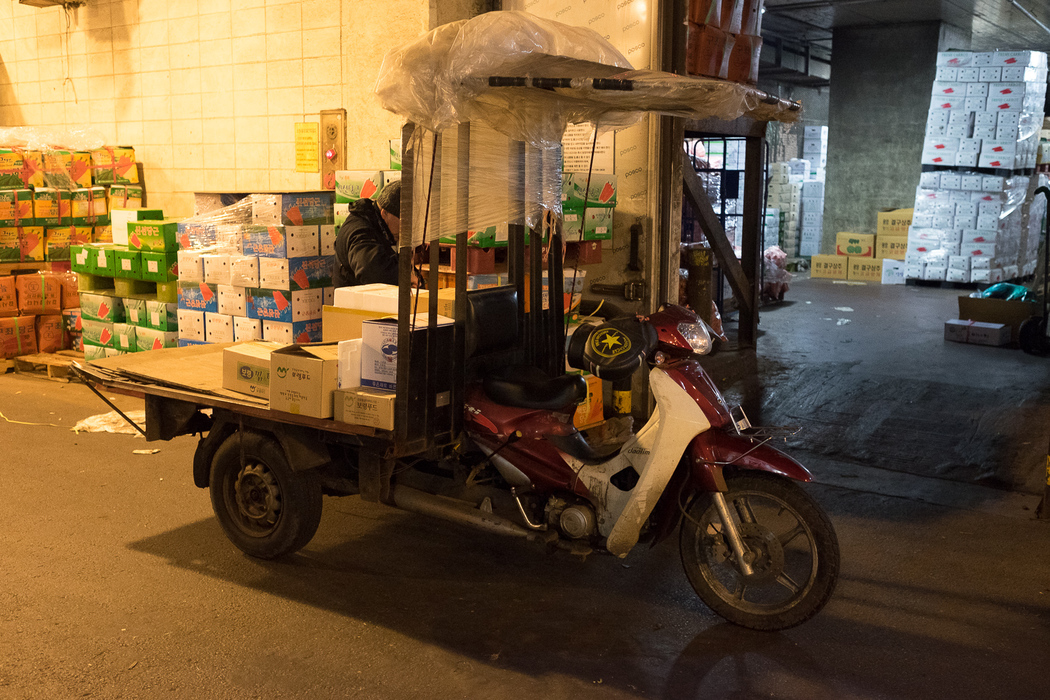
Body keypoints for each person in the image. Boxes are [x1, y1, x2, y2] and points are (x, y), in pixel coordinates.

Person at [333, 180, 402, 287]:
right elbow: (372, 272)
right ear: (385, 213)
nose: (406, 229)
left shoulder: (380, 226)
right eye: (404, 221)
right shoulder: (361, 230)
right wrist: (404, 276)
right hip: (354, 301)